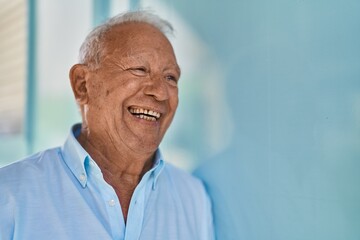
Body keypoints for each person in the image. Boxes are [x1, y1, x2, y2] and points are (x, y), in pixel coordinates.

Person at [0, 11, 214, 240]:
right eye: (139, 70)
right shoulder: (10, 194)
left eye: (170, 77)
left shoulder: (194, 197)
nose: (160, 92)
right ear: (83, 85)